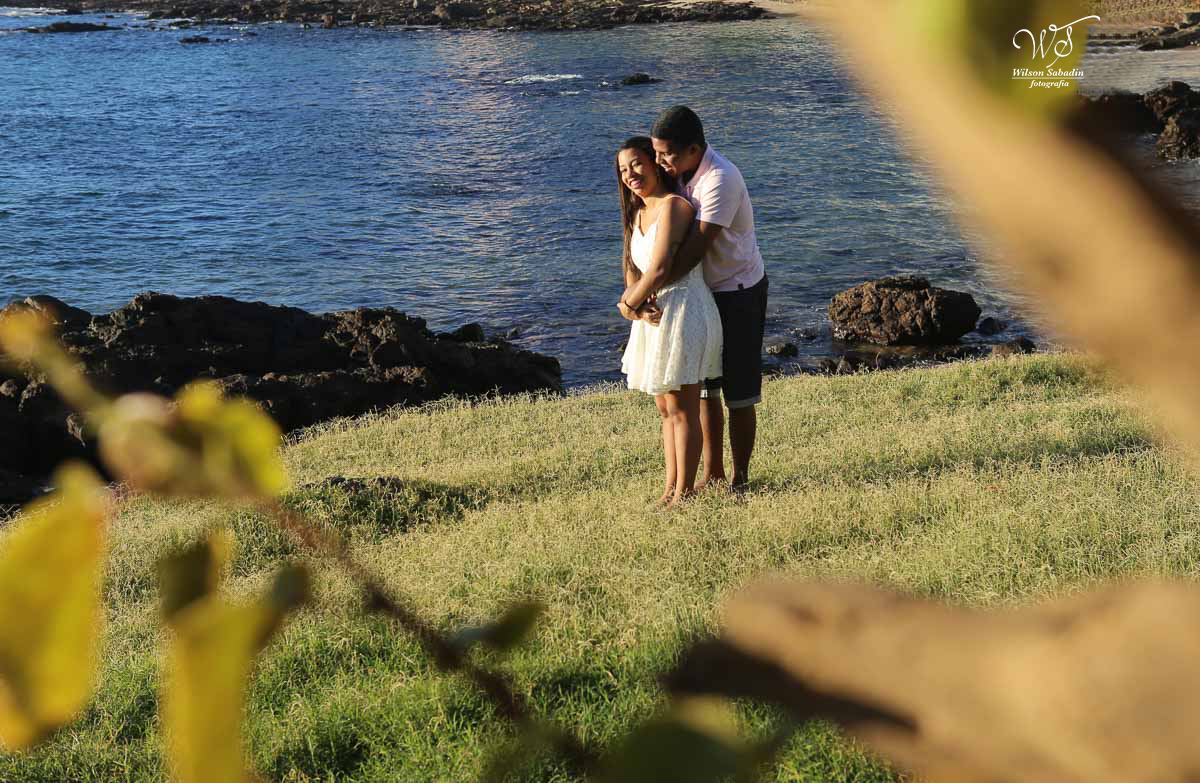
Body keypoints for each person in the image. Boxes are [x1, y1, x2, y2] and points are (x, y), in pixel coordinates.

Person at [651, 106, 767, 491]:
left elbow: (696, 248)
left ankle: (741, 479)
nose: (659, 161)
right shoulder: (677, 175)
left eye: (666, 153)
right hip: (700, 292)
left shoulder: (720, 179)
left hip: (738, 291)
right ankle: (712, 474)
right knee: (703, 386)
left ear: (694, 149)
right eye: (656, 152)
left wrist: (648, 289)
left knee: (739, 391)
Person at [615, 136, 723, 508]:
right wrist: (637, 306)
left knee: (682, 407)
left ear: (655, 163)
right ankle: (670, 489)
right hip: (654, 315)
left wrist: (627, 304)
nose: (631, 174)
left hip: (683, 310)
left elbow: (660, 268)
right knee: (665, 410)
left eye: (637, 164)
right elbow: (634, 268)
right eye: (624, 169)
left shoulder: (675, 207)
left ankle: (686, 493)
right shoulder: (637, 213)